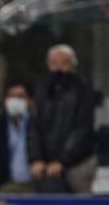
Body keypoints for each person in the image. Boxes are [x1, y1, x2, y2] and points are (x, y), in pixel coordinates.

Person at [28, 44, 96, 194]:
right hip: (46, 166)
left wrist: (63, 160)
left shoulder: (83, 90)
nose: (58, 69)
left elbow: (81, 130)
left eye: (64, 64)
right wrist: (36, 158)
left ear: (73, 66)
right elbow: (34, 127)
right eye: (54, 64)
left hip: (78, 164)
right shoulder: (42, 90)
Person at [0, 82, 34, 192]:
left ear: (30, 101)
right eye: (11, 96)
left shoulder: (39, 123)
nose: (15, 100)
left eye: (20, 96)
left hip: (35, 185)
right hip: (7, 184)